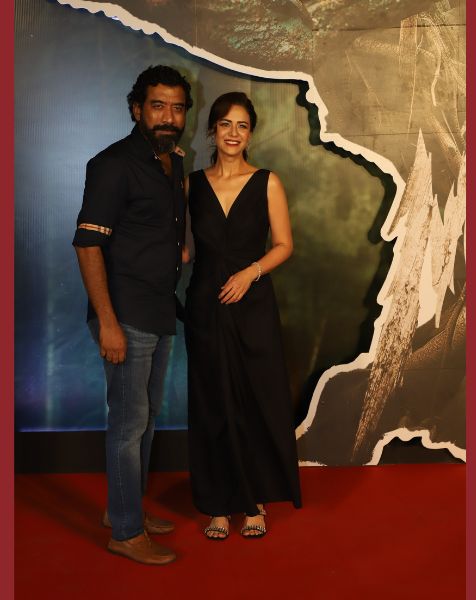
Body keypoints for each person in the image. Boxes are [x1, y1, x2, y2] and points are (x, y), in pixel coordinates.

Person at [72, 65, 192, 565]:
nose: (168, 117)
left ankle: (124, 508)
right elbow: (87, 245)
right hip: (124, 314)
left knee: (146, 418)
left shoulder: (171, 162)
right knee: (128, 424)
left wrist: (178, 247)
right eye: (158, 106)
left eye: (177, 108)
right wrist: (107, 322)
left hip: (160, 308)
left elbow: (162, 221)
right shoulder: (112, 165)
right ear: (137, 109)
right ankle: (125, 532)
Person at [184, 91, 302, 540]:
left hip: (252, 306)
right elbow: (186, 250)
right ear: (212, 130)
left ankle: (254, 501)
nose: (233, 133)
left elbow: (284, 245)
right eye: (225, 124)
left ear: (250, 134)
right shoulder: (191, 185)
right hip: (205, 306)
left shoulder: (267, 182)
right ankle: (217, 503)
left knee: (255, 401)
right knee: (212, 403)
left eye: (242, 126)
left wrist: (250, 274)